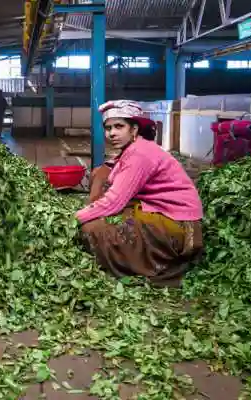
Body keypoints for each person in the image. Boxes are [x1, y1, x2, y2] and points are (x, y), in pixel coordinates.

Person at [76, 100, 204, 287]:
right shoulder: (132, 150)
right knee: (100, 179)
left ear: (134, 129)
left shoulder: (139, 154)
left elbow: (113, 202)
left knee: (93, 230)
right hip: (161, 208)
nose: (111, 133)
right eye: (108, 128)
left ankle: (139, 268)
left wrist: (74, 218)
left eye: (119, 126)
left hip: (177, 222)